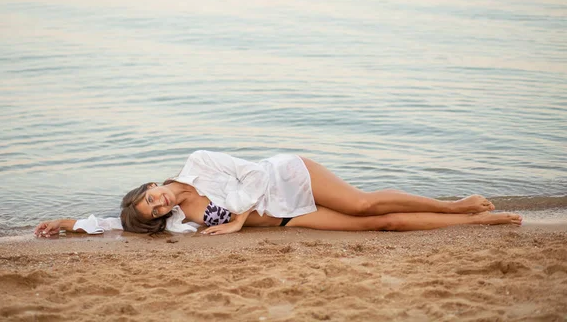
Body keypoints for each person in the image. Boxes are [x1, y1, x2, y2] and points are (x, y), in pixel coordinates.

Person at [34, 150, 522, 238]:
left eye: (153, 197)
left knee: (364, 204)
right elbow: (122, 225)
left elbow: (251, 178)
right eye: (155, 210)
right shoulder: (180, 223)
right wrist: (70, 224)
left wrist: (241, 221)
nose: (160, 204)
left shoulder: (198, 162)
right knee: (382, 225)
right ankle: (478, 222)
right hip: (288, 219)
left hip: (288, 178)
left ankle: (452, 204)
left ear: (151, 184)